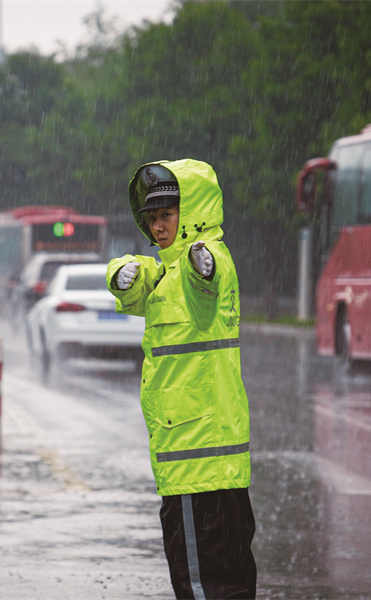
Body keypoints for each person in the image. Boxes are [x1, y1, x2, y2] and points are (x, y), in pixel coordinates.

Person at [106, 159, 256, 599]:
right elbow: (138, 282)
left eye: (167, 215)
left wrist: (201, 265)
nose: (157, 226)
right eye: (151, 218)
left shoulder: (203, 263)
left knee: (202, 586)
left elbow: (205, 285)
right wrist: (121, 275)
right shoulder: (168, 271)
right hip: (214, 466)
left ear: (192, 213)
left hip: (195, 464)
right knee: (229, 584)